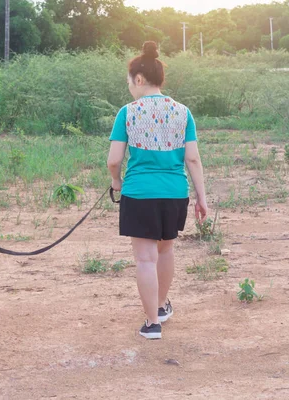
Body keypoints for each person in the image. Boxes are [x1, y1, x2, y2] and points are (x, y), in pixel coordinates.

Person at [107, 41, 208, 340]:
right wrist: (202, 197)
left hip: (140, 194)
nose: (129, 88)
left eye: (129, 82)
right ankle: (162, 306)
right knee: (165, 251)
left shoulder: (127, 113)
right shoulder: (183, 112)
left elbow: (114, 160)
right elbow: (193, 158)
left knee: (145, 259)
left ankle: (152, 323)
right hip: (175, 192)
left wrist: (116, 182)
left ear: (138, 79)